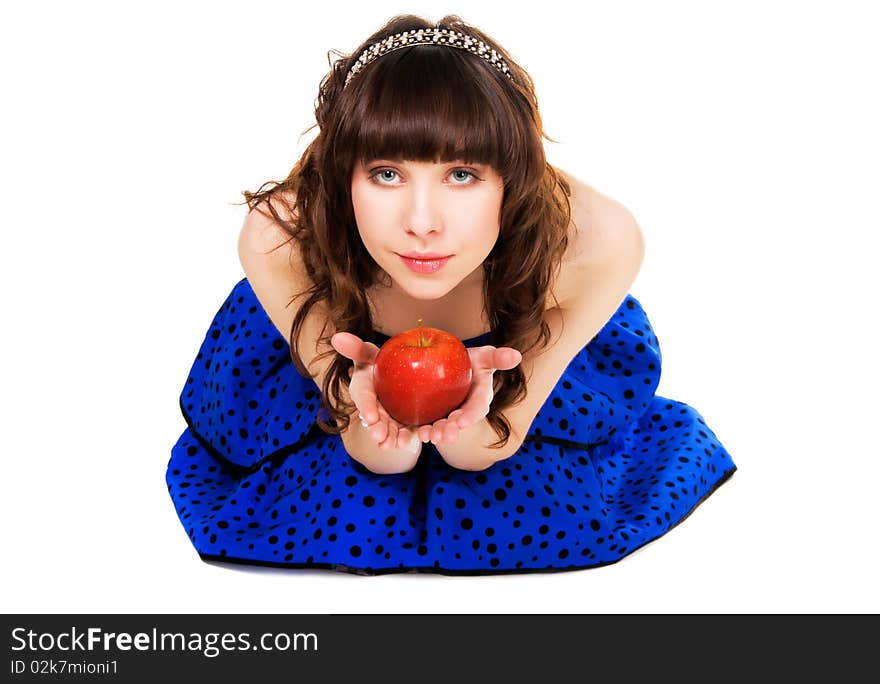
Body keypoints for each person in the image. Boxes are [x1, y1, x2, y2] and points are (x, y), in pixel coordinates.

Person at [166, 14, 736, 574]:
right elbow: (373, 457)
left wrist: (474, 418)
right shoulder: (281, 237)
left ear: (512, 180)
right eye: (386, 174)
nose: (421, 222)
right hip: (329, 391)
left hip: (523, 365)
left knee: (536, 512)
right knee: (333, 505)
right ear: (344, 176)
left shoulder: (593, 243)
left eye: (462, 174)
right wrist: (372, 410)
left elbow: (485, 451)